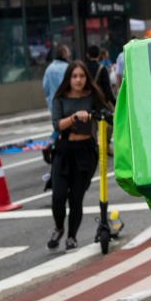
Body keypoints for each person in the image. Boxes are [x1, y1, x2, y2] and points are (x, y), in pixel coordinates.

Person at [48, 60, 113, 251]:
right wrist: (75, 117)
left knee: (76, 198)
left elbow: (108, 113)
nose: (78, 80)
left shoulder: (92, 96)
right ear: (69, 78)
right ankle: (59, 227)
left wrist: (99, 114)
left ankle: (71, 236)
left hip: (85, 151)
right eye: (74, 76)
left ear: (87, 78)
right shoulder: (60, 99)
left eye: (82, 76)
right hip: (64, 150)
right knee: (58, 196)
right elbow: (56, 124)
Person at [43, 45, 71, 141]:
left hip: (53, 103)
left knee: (59, 126)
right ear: (64, 54)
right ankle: (51, 142)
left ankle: (53, 144)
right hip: (67, 102)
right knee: (67, 127)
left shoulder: (49, 69)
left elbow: (45, 88)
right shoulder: (67, 68)